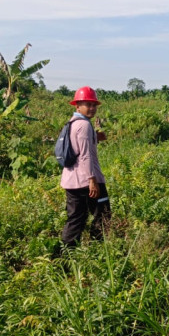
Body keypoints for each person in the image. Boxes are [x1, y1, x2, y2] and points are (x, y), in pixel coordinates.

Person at [60, 86, 111, 248]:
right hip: (86, 181)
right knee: (103, 215)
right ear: (77, 106)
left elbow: (77, 145)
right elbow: (85, 155)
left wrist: (95, 137)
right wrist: (92, 180)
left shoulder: (73, 123)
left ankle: (66, 256)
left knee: (76, 219)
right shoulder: (84, 125)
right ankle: (97, 251)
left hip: (71, 181)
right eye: (87, 104)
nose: (92, 108)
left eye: (94, 105)